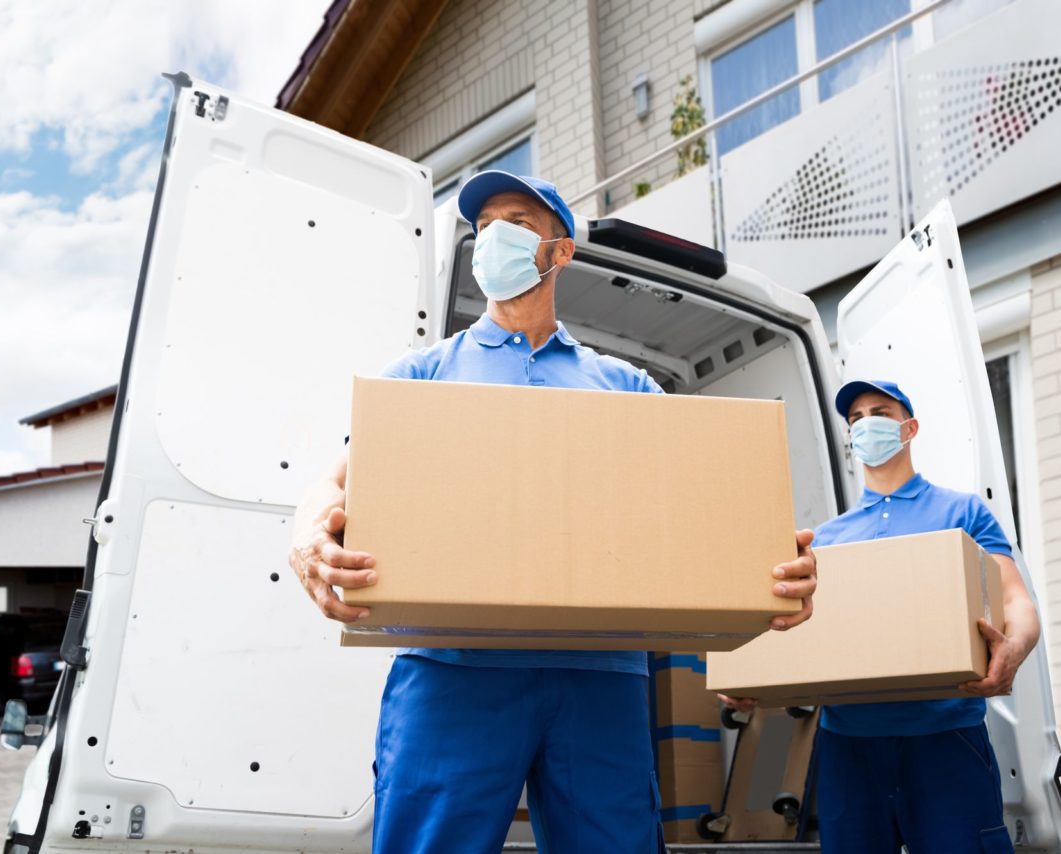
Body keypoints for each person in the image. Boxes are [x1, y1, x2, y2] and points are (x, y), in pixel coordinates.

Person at [288, 169, 818, 854]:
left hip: (599, 676)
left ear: (560, 251)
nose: (493, 239)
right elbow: (333, 481)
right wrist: (307, 536)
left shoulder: (624, 386)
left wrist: (772, 568)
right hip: (453, 669)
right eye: (484, 228)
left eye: (516, 223)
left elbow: (701, 517)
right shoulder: (423, 376)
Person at [722, 379, 1040, 854]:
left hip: (946, 736)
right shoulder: (825, 540)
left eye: (880, 413)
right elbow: (786, 633)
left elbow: (1016, 600)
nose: (866, 424)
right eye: (855, 419)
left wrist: (1015, 647)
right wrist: (747, 681)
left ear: (909, 428)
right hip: (849, 745)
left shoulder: (963, 513)